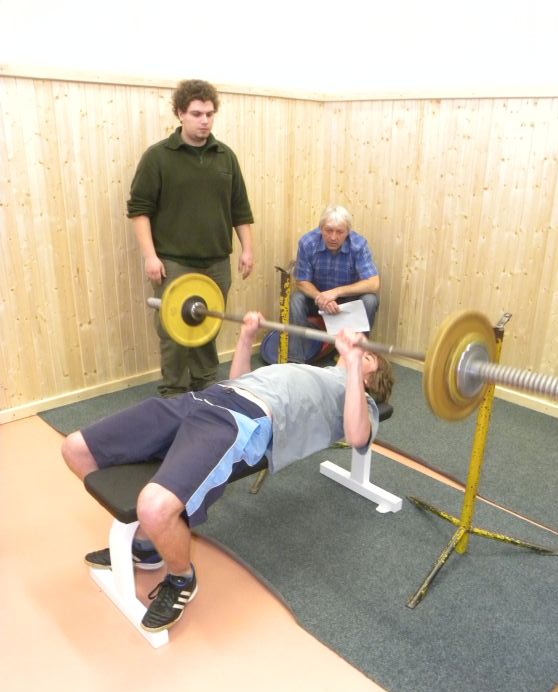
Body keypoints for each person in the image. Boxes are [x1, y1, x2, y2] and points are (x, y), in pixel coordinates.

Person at [61, 318, 394, 634]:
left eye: (367, 356)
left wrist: (354, 365)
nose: (357, 351)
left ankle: (181, 578)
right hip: (205, 398)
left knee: (154, 507)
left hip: (235, 420)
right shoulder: (312, 369)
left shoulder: (358, 398)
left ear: (371, 379)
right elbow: (239, 382)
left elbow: (357, 436)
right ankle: (149, 545)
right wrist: (246, 337)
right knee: (76, 448)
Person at [127, 79, 254, 396]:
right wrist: (150, 256)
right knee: (173, 330)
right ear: (180, 113)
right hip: (174, 262)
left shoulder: (226, 157)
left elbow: (240, 208)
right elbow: (139, 210)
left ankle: (206, 385)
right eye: (197, 114)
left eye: (209, 114)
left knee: (207, 325)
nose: (204, 120)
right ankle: (173, 393)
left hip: (217, 262)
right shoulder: (158, 157)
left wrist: (247, 249)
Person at [289, 205, 380, 363]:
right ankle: (296, 360)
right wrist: (321, 297)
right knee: (297, 299)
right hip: (317, 299)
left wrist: (336, 292)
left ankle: (354, 356)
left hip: (346, 301)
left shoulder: (359, 245)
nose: (333, 237)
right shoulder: (307, 242)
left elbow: (373, 283)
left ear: (348, 232)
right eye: (328, 230)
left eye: (340, 232)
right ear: (321, 228)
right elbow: (301, 281)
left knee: (370, 300)